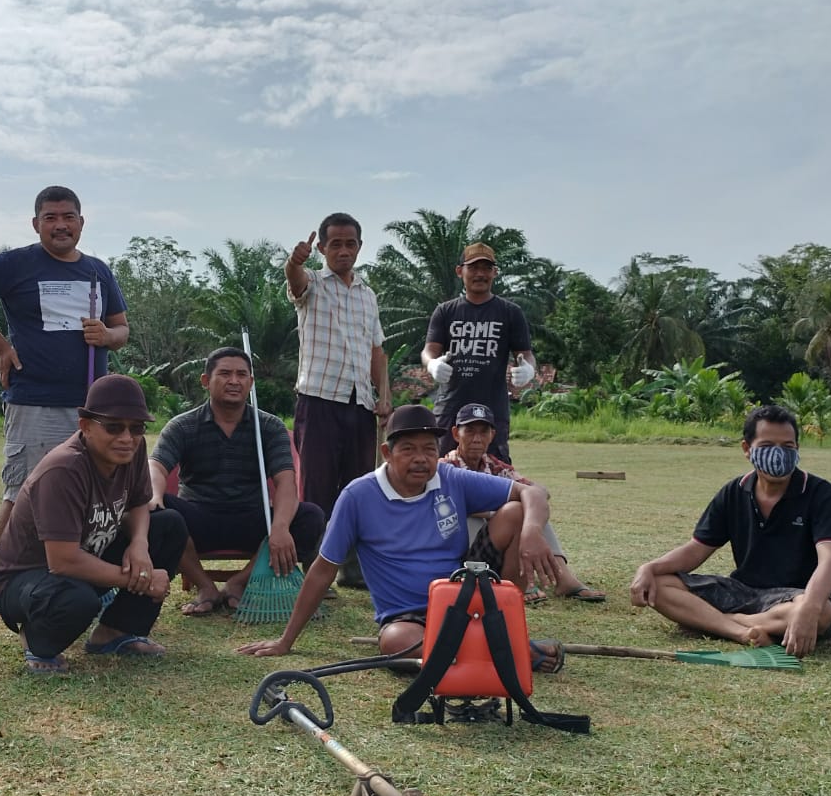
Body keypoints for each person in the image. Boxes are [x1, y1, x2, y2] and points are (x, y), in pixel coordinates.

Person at [238, 405, 568, 670]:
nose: (421, 459)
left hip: (466, 595)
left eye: (429, 449)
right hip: (407, 616)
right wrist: (285, 642)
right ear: (387, 452)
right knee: (395, 643)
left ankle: (500, 628)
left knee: (515, 512)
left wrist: (531, 532)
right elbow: (324, 569)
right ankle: (502, 649)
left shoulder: (452, 478)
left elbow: (535, 493)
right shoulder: (358, 496)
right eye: (408, 449)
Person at [0, 186, 128, 537]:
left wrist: (106, 335)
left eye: (68, 217)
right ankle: (8, 580)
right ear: (35, 224)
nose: (60, 225)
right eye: (50, 218)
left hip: (91, 408)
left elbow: (122, 329)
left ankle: (71, 578)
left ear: (81, 222)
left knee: (87, 496)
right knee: (24, 494)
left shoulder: (97, 271)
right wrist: (1, 346)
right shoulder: (17, 263)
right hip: (35, 403)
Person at [0, 374, 187, 674]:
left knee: (168, 524)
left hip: (84, 558)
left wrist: (140, 544)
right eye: (114, 427)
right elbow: (63, 561)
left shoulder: (132, 450)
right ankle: (36, 639)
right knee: (77, 599)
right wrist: (141, 578)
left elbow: (138, 503)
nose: (127, 438)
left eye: (137, 428)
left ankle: (115, 633)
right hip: (27, 577)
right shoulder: (63, 469)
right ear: (86, 426)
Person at [629, 404, 831, 658]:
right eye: (767, 446)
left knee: (821, 613)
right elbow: (696, 549)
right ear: (747, 449)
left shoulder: (822, 494)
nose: (779, 454)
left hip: (795, 594)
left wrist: (809, 605)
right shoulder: (734, 491)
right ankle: (741, 632)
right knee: (658, 584)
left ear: (797, 449)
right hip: (743, 590)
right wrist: (649, 568)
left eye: (788, 447)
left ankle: (715, 620)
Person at [147, 347, 326, 615]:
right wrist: (155, 497)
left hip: (252, 517)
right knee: (156, 516)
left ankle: (238, 583)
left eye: (242, 375)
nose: (234, 381)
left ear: (251, 383)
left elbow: (286, 482)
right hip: (198, 518)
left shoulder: (269, 426)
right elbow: (156, 468)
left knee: (310, 516)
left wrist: (279, 527)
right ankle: (205, 586)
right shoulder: (182, 425)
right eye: (225, 374)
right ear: (206, 381)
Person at [284, 213, 391, 588]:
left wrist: (385, 396)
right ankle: (315, 571)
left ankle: (353, 569)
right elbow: (295, 284)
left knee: (359, 488)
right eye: (336, 244)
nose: (343, 251)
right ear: (322, 248)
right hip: (319, 400)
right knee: (316, 487)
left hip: (360, 404)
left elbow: (377, 350)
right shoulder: (313, 283)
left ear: (360, 247)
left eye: (350, 244)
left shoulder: (368, 294)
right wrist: (294, 263)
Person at [441, 402, 606, 604]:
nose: (477, 439)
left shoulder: (494, 466)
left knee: (531, 509)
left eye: (483, 432)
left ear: (492, 435)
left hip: (495, 543)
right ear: (456, 434)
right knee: (516, 511)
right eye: (470, 431)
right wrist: (499, 511)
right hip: (464, 550)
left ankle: (562, 576)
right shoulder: (446, 467)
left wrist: (531, 524)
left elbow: (539, 491)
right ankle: (523, 583)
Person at [421, 241, 536, 462]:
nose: (480, 274)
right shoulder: (445, 311)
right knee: (441, 468)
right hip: (450, 408)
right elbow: (429, 350)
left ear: (495, 272)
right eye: (473, 267)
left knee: (494, 470)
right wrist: (432, 364)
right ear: (460, 271)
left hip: (492, 409)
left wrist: (528, 369)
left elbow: (526, 354)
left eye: (486, 268)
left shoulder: (511, 313)